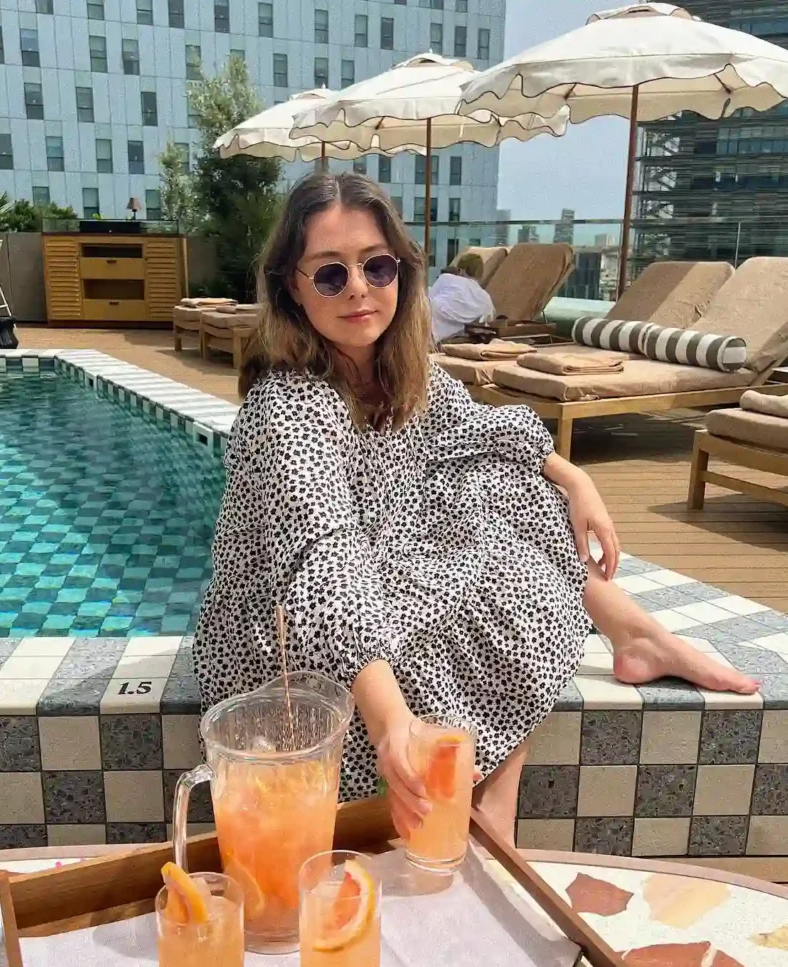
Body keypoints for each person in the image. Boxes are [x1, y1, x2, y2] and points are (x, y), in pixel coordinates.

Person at [192, 172, 758, 844]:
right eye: (330, 274)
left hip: (380, 558)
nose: (359, 288)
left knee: (504, 485)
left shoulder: (397, 368)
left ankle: (626, 642)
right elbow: (327, 565)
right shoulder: (288, 408)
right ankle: (502, 802)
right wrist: (392, 724)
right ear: (292, 284)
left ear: (401, 270)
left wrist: (574, 477)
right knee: (495, 593)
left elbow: (476, 430)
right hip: (287, 631)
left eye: (377, 266)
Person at [428, 251, 496, 345]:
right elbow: (489, 319)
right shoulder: (486, 298)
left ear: (461, 271)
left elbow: (429, 297)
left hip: (430, 318)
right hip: (452, 331)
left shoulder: (446, 278)